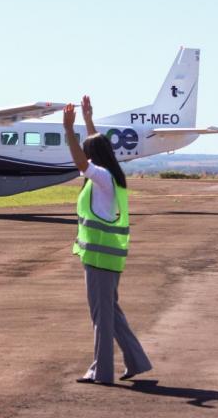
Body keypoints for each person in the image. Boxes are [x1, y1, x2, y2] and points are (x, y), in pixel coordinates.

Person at [63, 96, 152, 385]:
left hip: (100, 259)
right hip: (111, 256)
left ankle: (101, 372)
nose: (85, 160)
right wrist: (89, 120)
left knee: (101, 316)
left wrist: (68, 129)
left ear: (94, 158)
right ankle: (137, 361)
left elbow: (81, 158)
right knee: (111, 312)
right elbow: (94, 147)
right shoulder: (111, 175)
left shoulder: (100, 177)